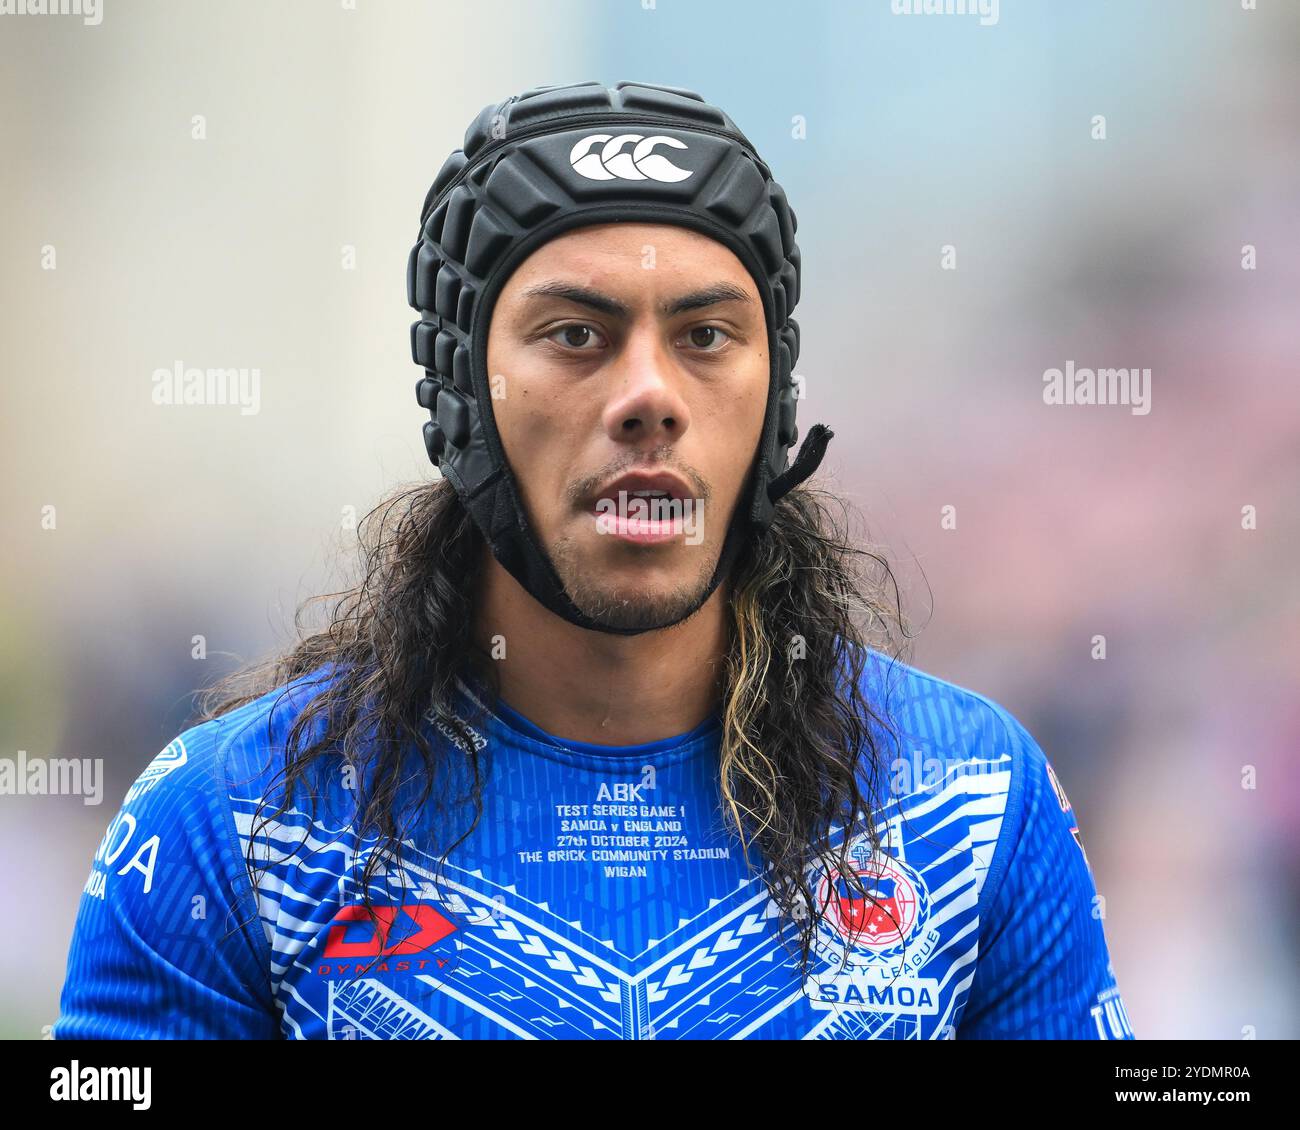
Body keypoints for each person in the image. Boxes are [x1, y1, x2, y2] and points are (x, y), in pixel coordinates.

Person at [53, 80, 1133, 1040]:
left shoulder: (972, 795)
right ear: (460, 394)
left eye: (706, 335)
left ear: (776, 401)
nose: (649, 396)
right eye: (576, 334)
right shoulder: (228, 821)